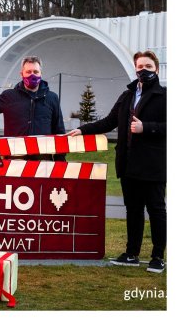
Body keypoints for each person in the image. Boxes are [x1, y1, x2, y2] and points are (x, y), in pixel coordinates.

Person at [71, 50, 166, 273]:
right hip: (128, 164)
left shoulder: (166, 96)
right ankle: (131, 253)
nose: (144, 71)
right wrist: (83, 129)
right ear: (135, 69)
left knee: (156, 210)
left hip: (153, 165)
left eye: (149, 67)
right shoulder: (127, 96)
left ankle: (158, 256)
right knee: (133, 210)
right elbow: (108, 122)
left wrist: (147, 127)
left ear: (157, 70)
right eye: (140, 67)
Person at [0, 56, 65, 158]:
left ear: (41, 74)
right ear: (21, 74)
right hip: (14, 161)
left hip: (43, 161)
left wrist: (60, 159)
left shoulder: (52, 98)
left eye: (36, 72)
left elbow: (59, 130)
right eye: (28, 72)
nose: (32, 75)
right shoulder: (9, 96)